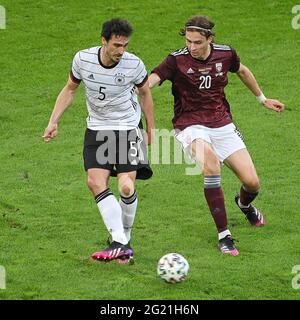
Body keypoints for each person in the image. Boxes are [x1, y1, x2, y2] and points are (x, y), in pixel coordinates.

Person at [149, 15, 284, 256]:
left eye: (198, 42)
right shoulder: (176, 60)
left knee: (252, 183)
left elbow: (242, 71)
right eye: (189, 41)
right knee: (211, 167)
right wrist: (140, 86)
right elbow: (153, 79)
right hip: (190, 124)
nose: (192, 47)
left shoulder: (226, 54)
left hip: (222, 124)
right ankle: (224, 235)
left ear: (210, 39)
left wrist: (263, 99)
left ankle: (243, 204)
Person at [43, 18, 155, 263]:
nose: (121, 51)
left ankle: (124, 239)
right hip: (97, 128)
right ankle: (120, 242)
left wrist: (151, 128)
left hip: (127, 127)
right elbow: (70, 89)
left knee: (126, 187)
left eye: (124, 45)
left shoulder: (133, 64)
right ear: (103, 41)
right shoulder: (82, 59)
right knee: (95, 182)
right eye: (116, 45)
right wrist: (53, 121)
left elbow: (145, 93)